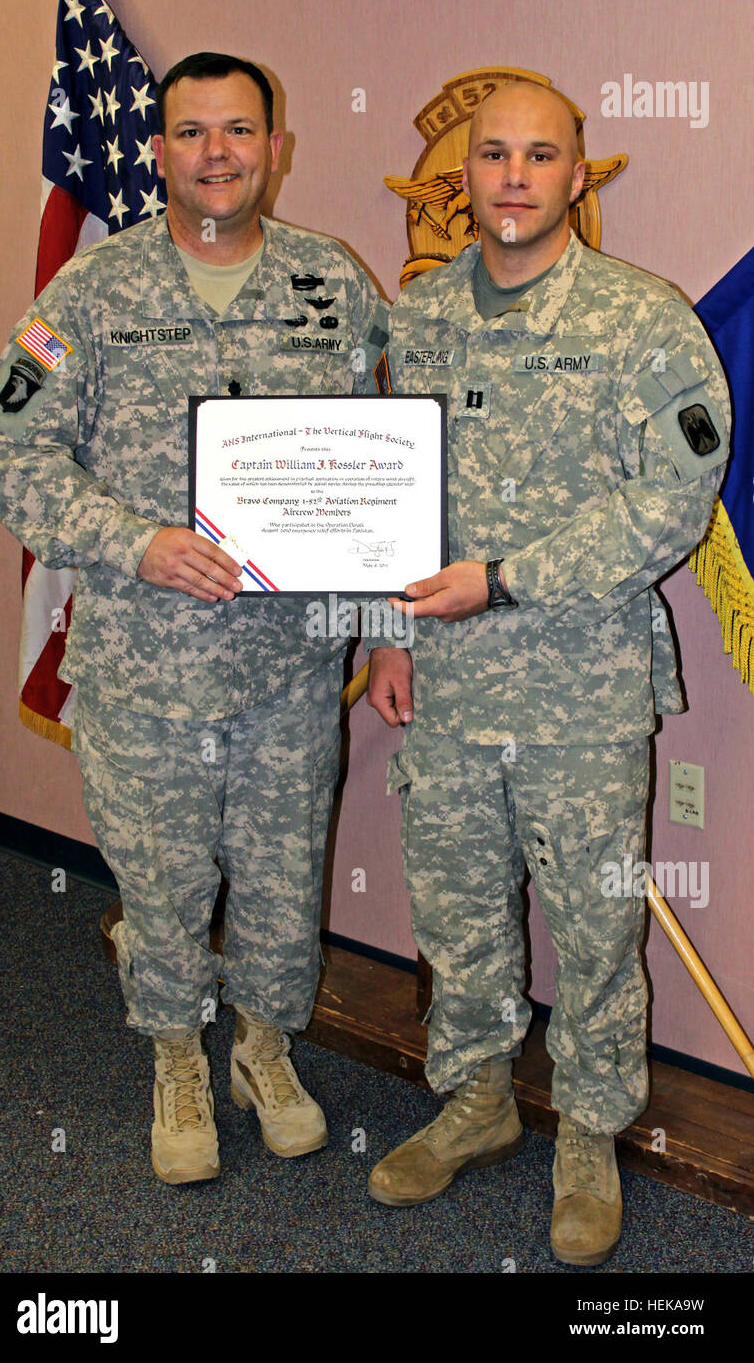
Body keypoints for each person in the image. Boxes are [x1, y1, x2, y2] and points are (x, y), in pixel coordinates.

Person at [0, 52, 387, 1186]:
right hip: (145, 665)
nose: (218, 152)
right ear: (158, 152)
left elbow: (380, 460)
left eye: (240, 130)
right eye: (193, 132)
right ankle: (175, 1058)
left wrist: (383, 613)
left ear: (276, 144)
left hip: (290, 667)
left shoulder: (332, 283)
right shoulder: (90, 294)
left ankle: (262, 1046)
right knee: (159, 885)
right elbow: (9, 447)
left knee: (281, 873)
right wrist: (135, 542)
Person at [364, 80, 729, 1265]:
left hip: (581, 691)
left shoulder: (643, 321)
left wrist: (506, 576)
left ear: (580, 177)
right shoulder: (417, 321)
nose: (513, 175)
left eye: (541, 155)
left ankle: (587, 1129)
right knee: (458, 919)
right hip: (452, 688)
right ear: (459, 178)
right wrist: (387, 629)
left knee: (593, 924)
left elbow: (674, 498)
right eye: (491, 155)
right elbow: (389, 496)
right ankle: (473, 1101)